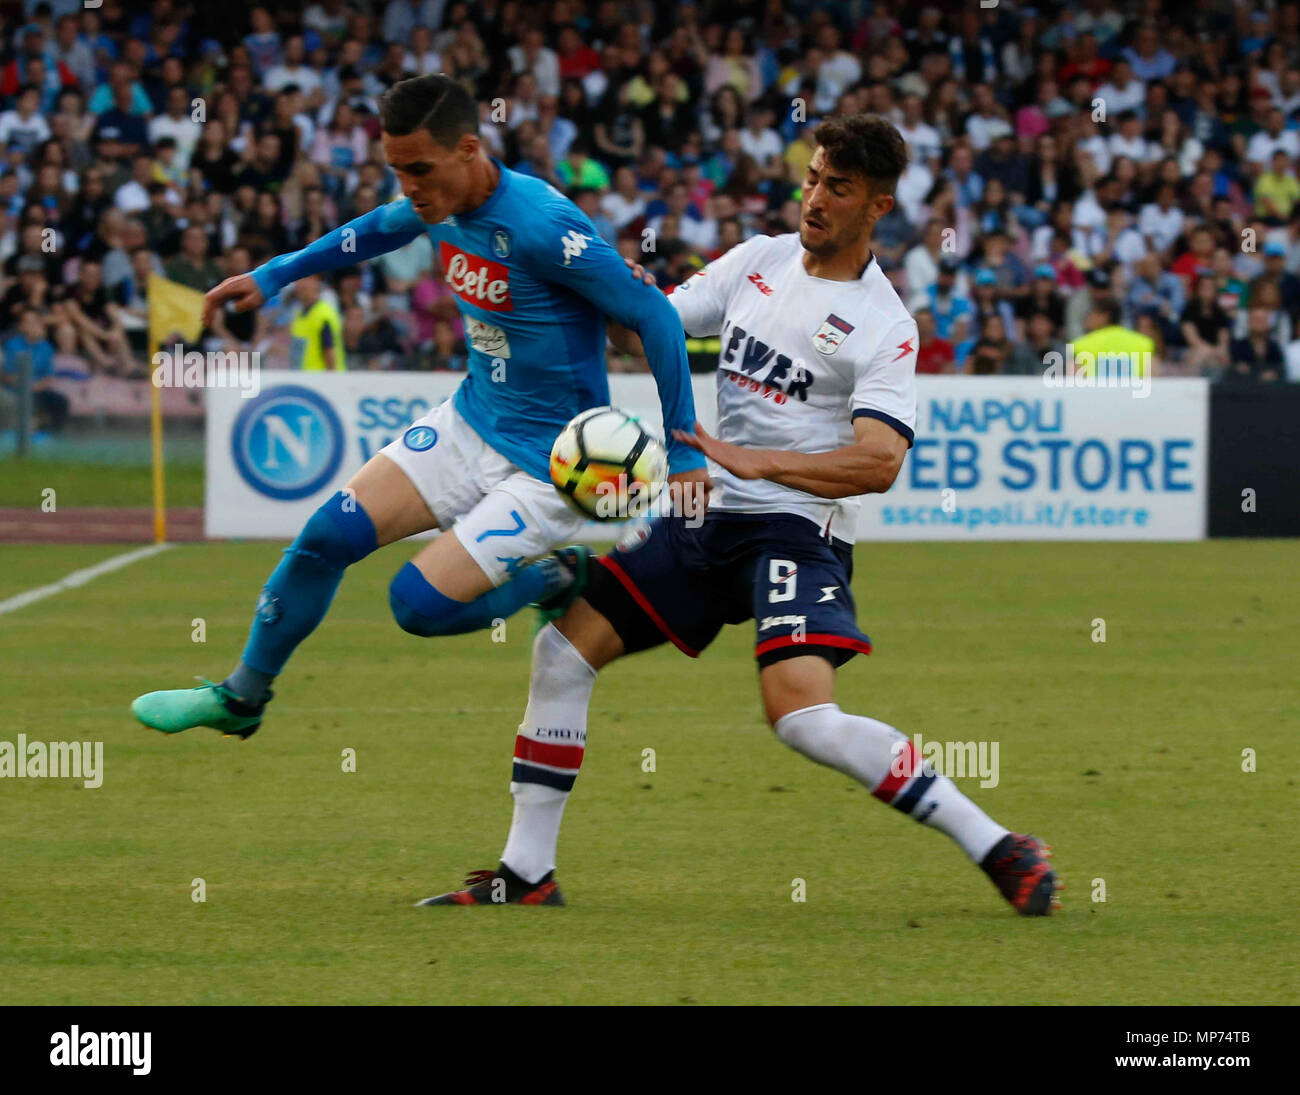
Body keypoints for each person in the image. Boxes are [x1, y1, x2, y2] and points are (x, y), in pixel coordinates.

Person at [419, 117, 1059, 916]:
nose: (816, 197)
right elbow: (652, 321)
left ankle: (1001, 846)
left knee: (801, 717)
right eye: (815, 176)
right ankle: (528, 873)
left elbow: (880, 460)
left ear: (878, 207)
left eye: (839, 187)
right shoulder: (758, 260)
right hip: (707, 515)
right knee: (561, 652)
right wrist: (595, 275)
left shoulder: (883, 322)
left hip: (796, 528)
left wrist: (765, 462)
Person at [132, 75, 708, 739]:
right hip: (469, 420)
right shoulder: (439, 201)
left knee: (417, 606)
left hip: (551, 464)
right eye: (397, 169)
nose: (408, 185)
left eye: (420, 169)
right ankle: (241, 697)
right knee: (323, 538)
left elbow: (654, 314)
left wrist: (686, 451)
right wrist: (275, 273)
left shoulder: (542, 226)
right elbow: (374, 229)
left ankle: (558, 573)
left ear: (469, 148)